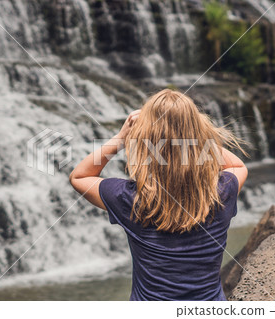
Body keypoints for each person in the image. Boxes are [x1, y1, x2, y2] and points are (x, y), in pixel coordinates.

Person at [69, 89, 248, 300]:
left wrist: (120, 137)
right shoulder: (221, 192)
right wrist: (194, 131)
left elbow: (79, 177)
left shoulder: (129, 199)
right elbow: (237, 164)